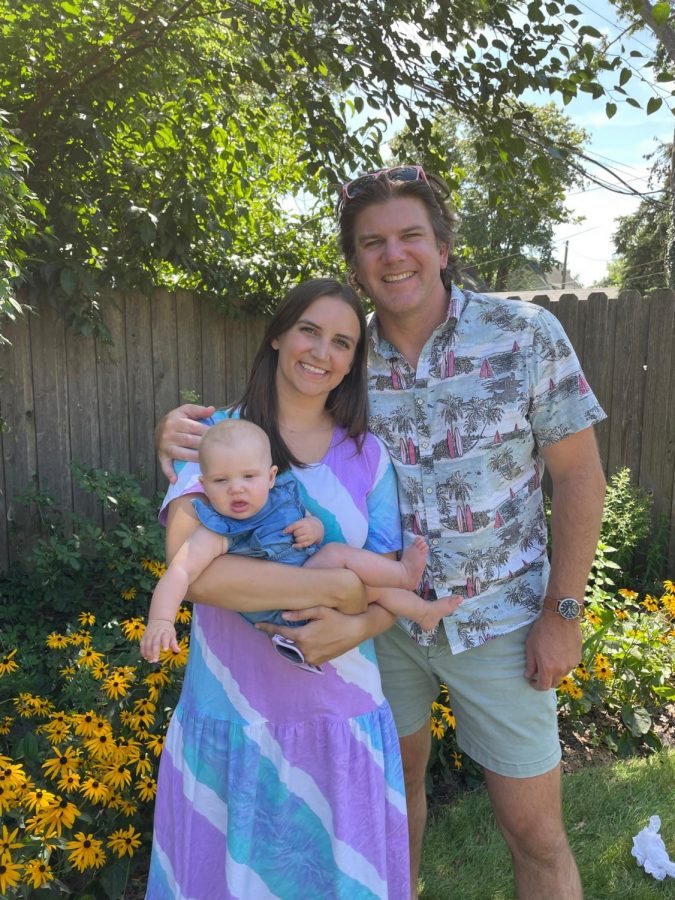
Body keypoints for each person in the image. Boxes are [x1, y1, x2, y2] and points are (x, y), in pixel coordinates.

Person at [156, 166, 607, 900]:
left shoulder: (523, 335)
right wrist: (175, 436)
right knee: (390, 812)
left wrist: (562, 613)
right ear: (355, 261)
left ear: (441, 244)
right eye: (372, 243)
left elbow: (579, 476)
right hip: (378, 639)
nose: (392, 255)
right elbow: (260, 443)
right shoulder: (344, 359)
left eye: (409, 236)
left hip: (495, 621)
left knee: (536, 834)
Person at [145, 278, 411, 899]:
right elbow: (198, 575)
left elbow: (387, 580)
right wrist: (339, 590)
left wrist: (360, 617)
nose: (323, 352)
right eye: (310, 332)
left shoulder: (369, 457)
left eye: (342, 342)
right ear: (277, 336)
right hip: (233, 714)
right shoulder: (218, 440)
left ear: (354, 361)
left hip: (339, 717)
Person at [141, 417, 461, 664]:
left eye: (248, 477)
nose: (236, 489)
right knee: (342, 560)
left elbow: (313, 523)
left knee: (370, 586)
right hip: (285, 608)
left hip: (314, 582)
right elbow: (181, 572)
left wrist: (314, 527)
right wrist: (160, 621)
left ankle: (422, 612)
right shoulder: (218, 529)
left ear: (270, 477)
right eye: (222, 481)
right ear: (204, 485)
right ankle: (405, 577)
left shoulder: (280, 499)